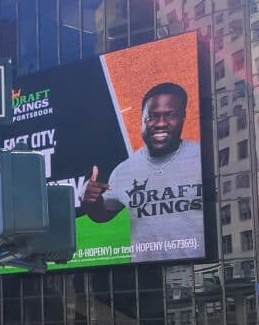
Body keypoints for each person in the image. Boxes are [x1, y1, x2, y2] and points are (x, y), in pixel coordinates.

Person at [81, 83, 204, 263]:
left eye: (170, 115)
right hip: (146, 271)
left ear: (183, 117)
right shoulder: (124, 170)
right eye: (152, 117)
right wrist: (92, 202)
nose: (160, 123)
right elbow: (101, 215)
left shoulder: (201, 157)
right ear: (142, 119)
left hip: (201, 266)